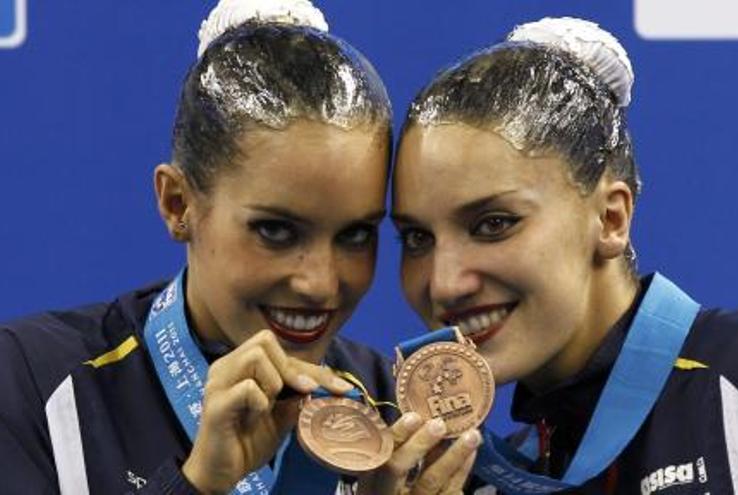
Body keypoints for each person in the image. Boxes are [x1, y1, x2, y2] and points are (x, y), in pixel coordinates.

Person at [0, 1, 481, 493]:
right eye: (276, 231)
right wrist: (198, 484)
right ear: (178, 204)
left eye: (355, 235)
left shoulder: (399, 414)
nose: (319, 283)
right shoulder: (30, 382)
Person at [392, 16, 738, 494]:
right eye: (416, 238)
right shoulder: (482, 480)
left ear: (610, 220)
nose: (444, 283)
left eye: (493, 224)